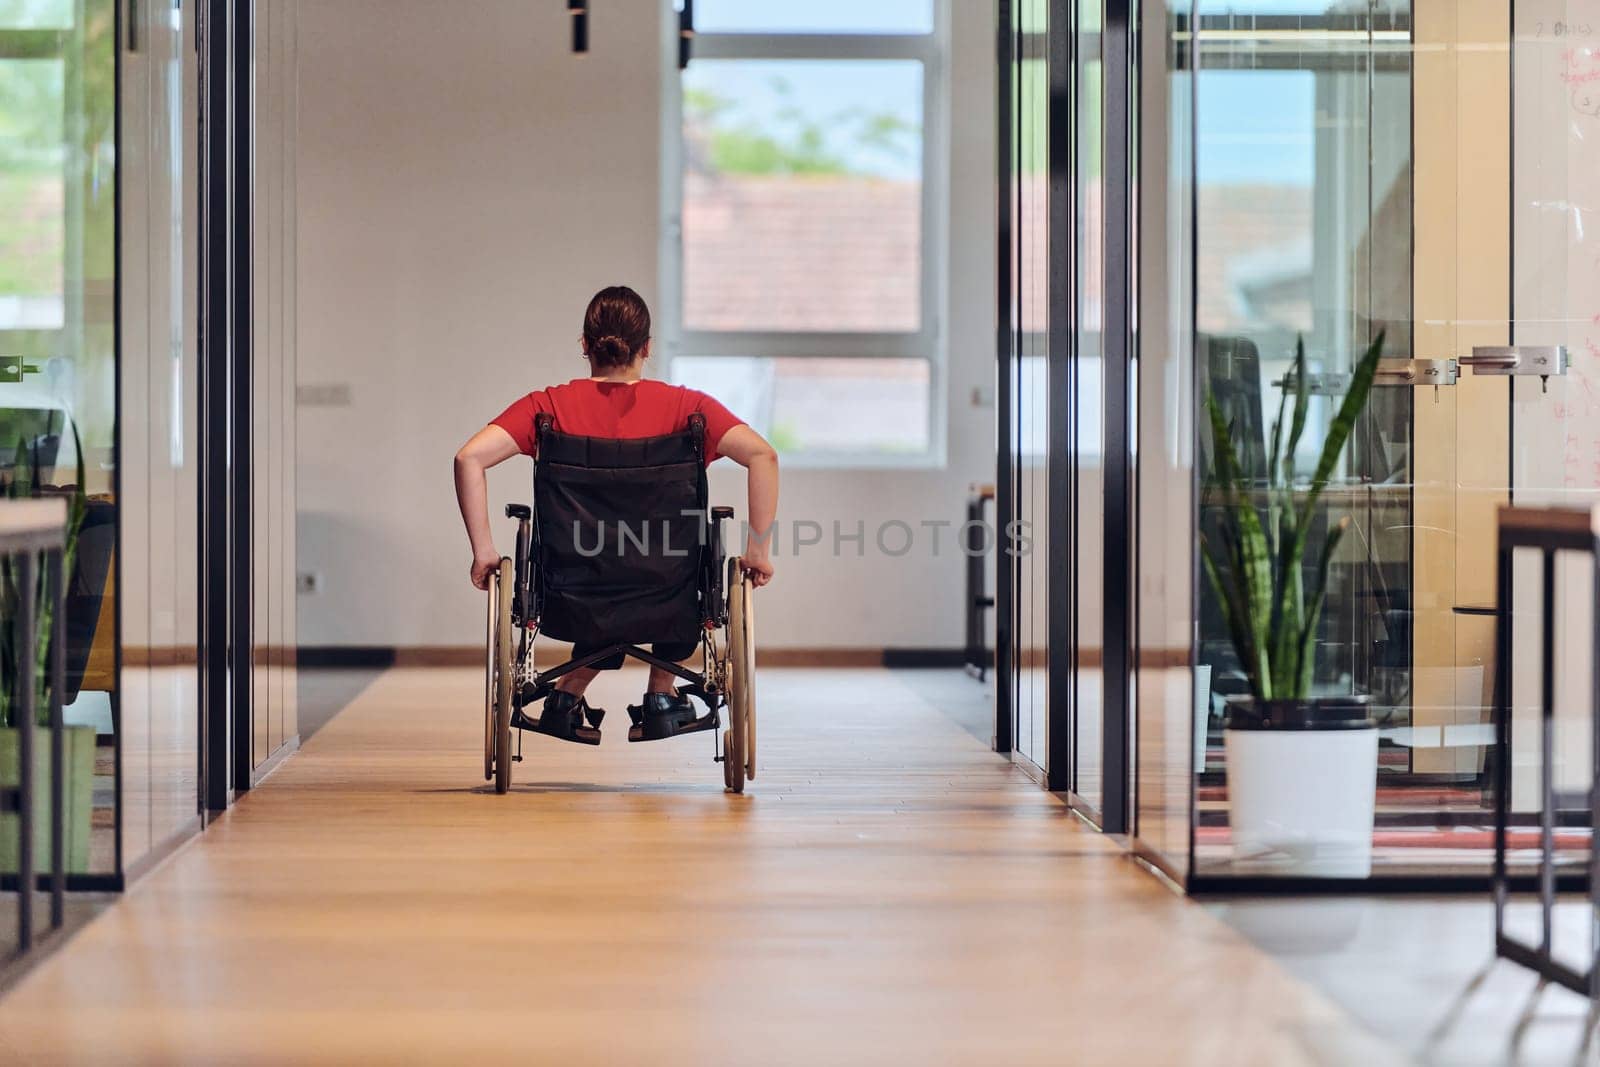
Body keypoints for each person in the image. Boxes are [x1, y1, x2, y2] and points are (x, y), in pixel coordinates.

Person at [453, 285, 778, 742]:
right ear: (647, 348)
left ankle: (565, 696)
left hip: (573, 589)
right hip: (670, 588)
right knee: (669, 572)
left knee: (606, 582)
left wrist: (484, 551)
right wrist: (758, 551)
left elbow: (468, 458)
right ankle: (661, 696)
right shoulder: (690, 411)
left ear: (585, 345)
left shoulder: (547, 408)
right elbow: (764, 456)